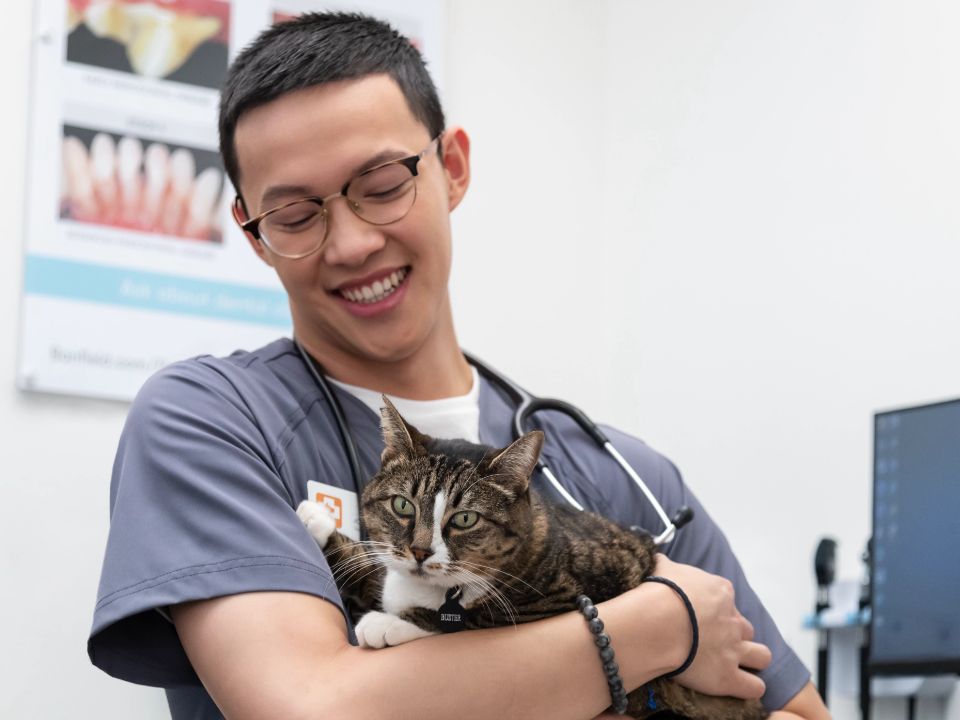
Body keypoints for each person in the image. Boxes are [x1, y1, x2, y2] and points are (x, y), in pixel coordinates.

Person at [89, 12, 830, 720]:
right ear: (254, 236)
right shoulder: (211, 422)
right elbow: (310, 705)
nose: (350, 245)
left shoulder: (620, 474)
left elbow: (792, 710)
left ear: (452, 168)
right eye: (295, 216)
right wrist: (660, 629)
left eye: (382, 187)